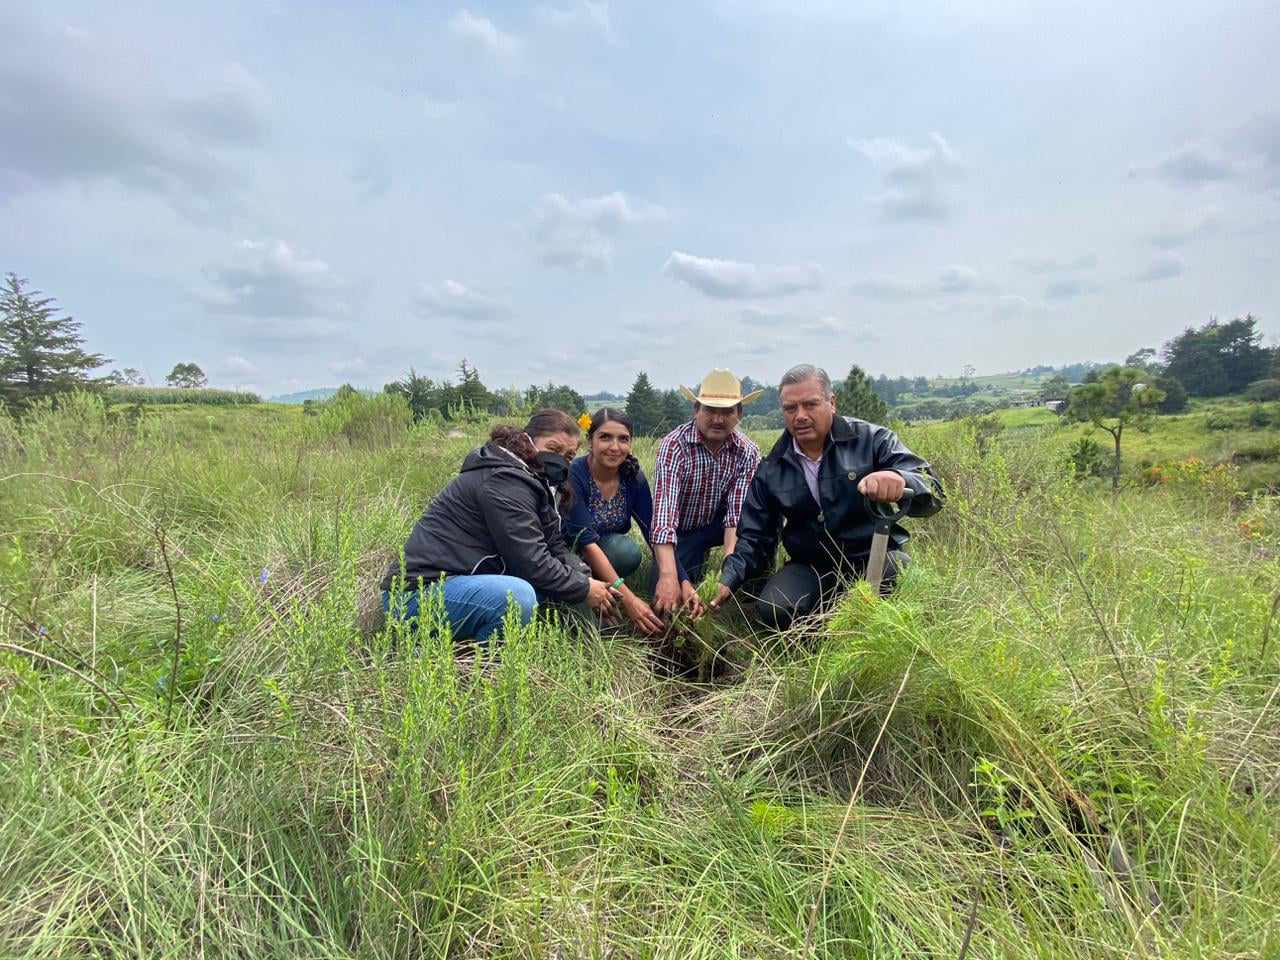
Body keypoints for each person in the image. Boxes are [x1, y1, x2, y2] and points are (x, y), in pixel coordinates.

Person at [711, 364, 943, 630]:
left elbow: (932, 489)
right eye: (790, 408)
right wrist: (728, 577)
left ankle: (873, 634)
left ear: (832, 403)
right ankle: (822, 641)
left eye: (810, 404)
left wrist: (902, 480)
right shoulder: (771, 468)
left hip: (873, 555)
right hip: (810, 567)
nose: (800, 416)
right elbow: (754, 537)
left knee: (901, 577)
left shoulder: (873, 439)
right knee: (774, 607)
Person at [381, 409, 620, 644]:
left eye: (568, 455)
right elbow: (532, 561)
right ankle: (479, 669)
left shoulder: (533, 481)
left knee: (546, 588)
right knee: (518, 598)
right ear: (528, 441)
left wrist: (589, 581)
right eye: (552, 449)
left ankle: (593, 637)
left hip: (462, 583)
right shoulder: (504, 480)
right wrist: (583, 588)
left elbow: (554, 548)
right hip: (416, 596)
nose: (560, 460)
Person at [650, 368, 765, 619]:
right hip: (680, 530)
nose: (718, 419)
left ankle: (754, 591)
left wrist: (729, 571)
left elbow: (736, 517)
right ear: (696, 410)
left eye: (727, 412)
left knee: (762, 526)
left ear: (739, 414)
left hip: (716, 525)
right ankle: (685, 568)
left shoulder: (747, 452)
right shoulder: (674, 446)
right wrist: (669, 576)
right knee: (666, 596)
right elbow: (664, 519)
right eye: (710, 410)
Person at [565, 408, 676, 636]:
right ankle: (579, 595)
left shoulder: (632, 477)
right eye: (605, 437)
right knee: (593, 631)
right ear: (590, 441)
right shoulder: (574, 474)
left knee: (626, 551)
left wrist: (675, 578)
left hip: (604, 553)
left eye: (623, 439)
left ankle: (603, 590)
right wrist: (629, 600)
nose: (615, 447)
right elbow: (586, 543)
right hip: (567, 555)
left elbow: (655, 533)